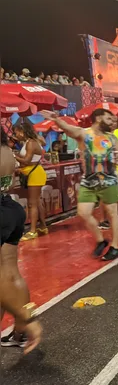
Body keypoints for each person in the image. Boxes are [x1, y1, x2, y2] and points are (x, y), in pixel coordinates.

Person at [42, 109, 118, 260]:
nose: (112, 123)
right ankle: (100, 240)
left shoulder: (113, 138)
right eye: (109, 119)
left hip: (109, 180)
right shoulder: (84, 134)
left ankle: (115, 247)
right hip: (89, 181)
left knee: (112, 213)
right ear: (98, 118)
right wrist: (56, 119)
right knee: (83, 213)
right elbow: (68, 129)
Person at [0, 129, 43, 352]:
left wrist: (27, 316)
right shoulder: (7, 150)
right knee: (10, 273)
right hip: (10, 209)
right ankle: (20, 330)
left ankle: (25, 320)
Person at [12, 120, 49, 240]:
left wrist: (14, 156)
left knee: (32, 204)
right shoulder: (32, 141)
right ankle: (43, 226)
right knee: (37, 202)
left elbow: (27, 161)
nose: (16, 135)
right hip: (35, 172)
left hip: (35, 174)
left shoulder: (31, 143)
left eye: (16, 132)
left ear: (22, 132)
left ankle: (33, 231)